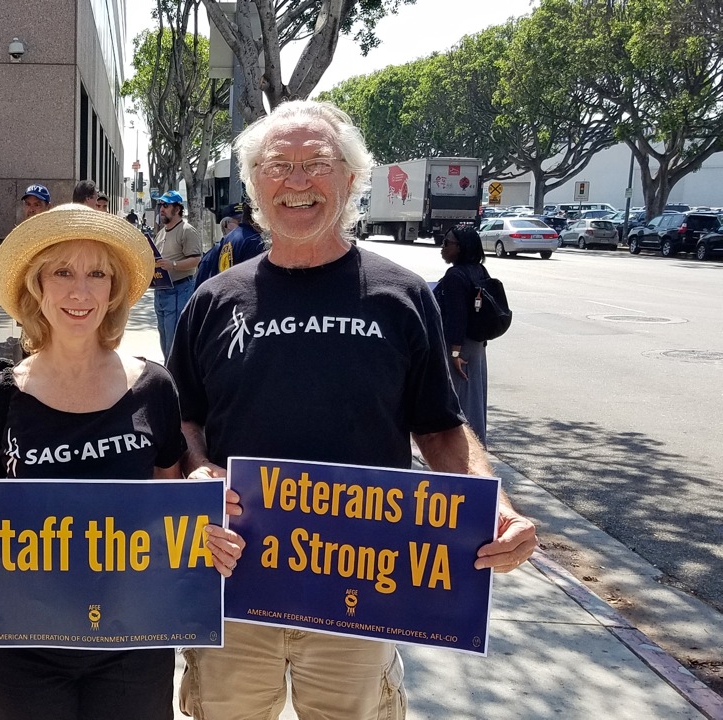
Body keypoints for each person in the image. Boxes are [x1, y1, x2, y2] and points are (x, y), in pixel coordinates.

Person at [167, 99, 538, 720]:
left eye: (318, 163)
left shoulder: (401, 294)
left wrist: (492, 502)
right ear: (255, 183)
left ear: (352, 177)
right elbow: (182, 420)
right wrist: (198, 470)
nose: (298, 182)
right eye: (278, 165)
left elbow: (441, 426)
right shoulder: (214, 299)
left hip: (361, 589)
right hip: (234, 581)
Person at [0, 204, 244, 720]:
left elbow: (171, 510)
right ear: (37, 286)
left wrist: (206, 522)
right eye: (62, 272)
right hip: (20, 643)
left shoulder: (155, 387)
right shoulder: (2, 394)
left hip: (132, 641)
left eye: (97, 274)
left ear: (114, 292)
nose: (79, 291)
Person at [436, 225, 491, 445]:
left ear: (461, 247)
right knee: (475, 400)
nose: (442, 247)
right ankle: (477, 446)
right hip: (476, 345)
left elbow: (457, 317)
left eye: (447, 243)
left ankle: (466, 452)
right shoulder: (479, 271)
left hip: (460, 349)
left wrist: (455, 353)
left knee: (461, 404)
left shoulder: (455, 276)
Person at [151, 190, 202, 361]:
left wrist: (173, 265)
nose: (162, 209)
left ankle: (177, 380)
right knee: (165, 340)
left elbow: (196, 259)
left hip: (180, 289)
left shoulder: (187, 231)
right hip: (161, 292)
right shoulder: (161, 233)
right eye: (161, 205)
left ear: (177, 209)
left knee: (175, 342)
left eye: (166, 205)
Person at [194, 201, 265, 290]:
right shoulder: (254, 241)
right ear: (225, 224)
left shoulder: (224, 244)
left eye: (241, 220)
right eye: (237, 221)